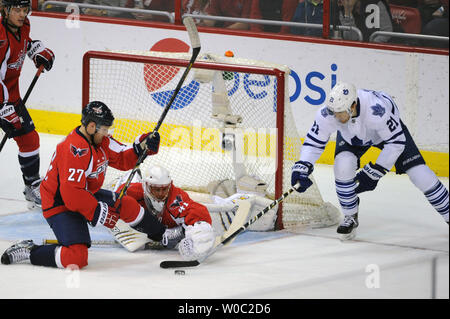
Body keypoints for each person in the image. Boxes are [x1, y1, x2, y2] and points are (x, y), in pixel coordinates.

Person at [1, 101, 162, 268]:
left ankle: (161, 234)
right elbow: (71, 195)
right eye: (105, 129)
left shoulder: (101, 141)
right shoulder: (74, 149)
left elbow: (122, 157)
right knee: (76, 258)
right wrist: (99, 212)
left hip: (84, 195)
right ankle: (30, 250)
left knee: (127, 205)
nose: (107, 133)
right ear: (92, 127)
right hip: (60, 204)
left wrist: (143, 146)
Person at [291, 82, 449, 239]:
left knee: (421, 176)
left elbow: (396, 143)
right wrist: (303, 165)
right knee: (342, 167)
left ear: (353, 106)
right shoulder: (330, 113)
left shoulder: (377, 111)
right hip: (352, 137)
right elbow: (313, 142)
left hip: (387, 137)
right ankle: (350, 216)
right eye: (334, 112)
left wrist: (375, 172)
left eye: (341, 112)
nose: (336, 117)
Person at [0, 0, 55, 208]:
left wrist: (36, 51)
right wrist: (2, 107)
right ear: (5, 10)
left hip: (10, 97)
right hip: (1, 99)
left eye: (25, 10)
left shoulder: (24, 26)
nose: (22, 14)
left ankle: (32, 186)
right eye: (17, 10)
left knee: (29, 139)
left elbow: (23, 43)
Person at [113, 165, 216, 261]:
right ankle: (130, 177)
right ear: (146, 186)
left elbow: (197, 212)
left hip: (163, 227)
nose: (161, 194)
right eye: (156, 189)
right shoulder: (133, 191)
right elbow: (113, 204)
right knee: (132, 239)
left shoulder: (175, 197)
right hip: (149, 226)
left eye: (164, 189)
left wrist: (199, 233)